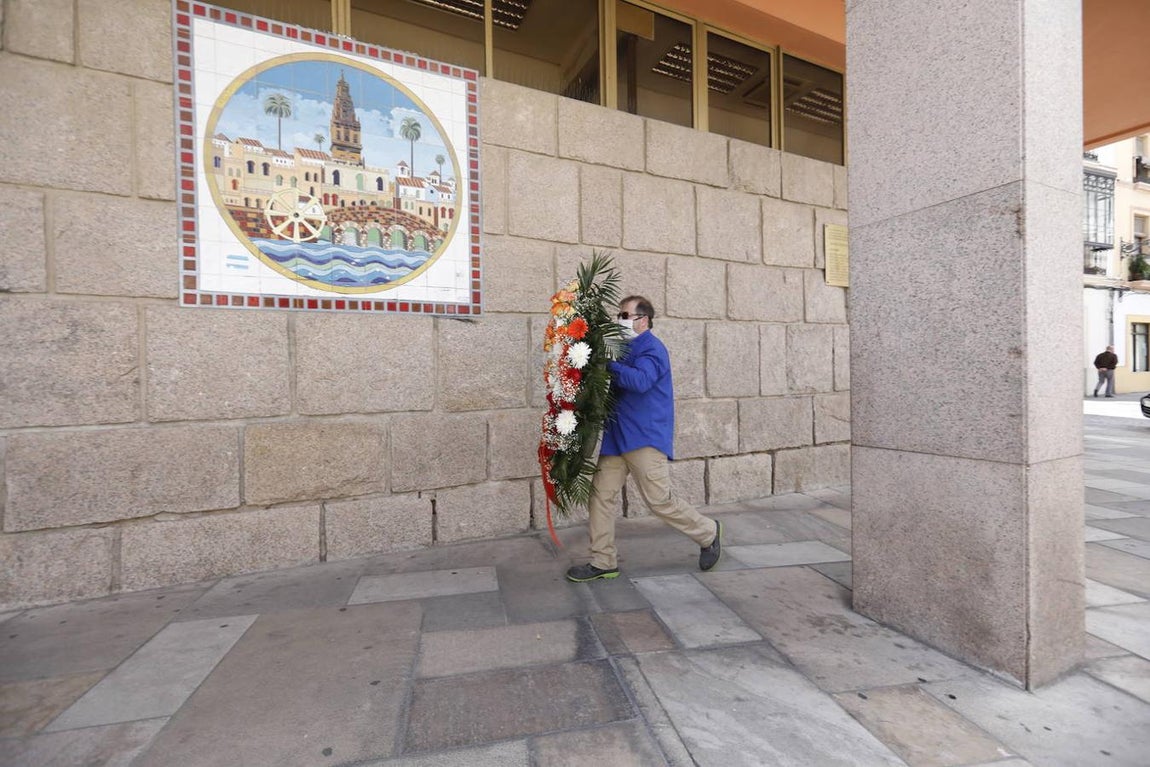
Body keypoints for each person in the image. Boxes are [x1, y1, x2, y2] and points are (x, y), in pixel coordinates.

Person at [565, 295, 722, 582]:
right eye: (619, 315)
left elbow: (640, 382)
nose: (620, 320)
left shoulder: (653, 348)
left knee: (659, 500)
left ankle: (708, 532)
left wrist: (608, 363)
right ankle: (603, 561)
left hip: (644, 437)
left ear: (643, 320)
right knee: (600, 496)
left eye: (625, 316)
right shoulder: (622, 347)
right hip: (617, 437)